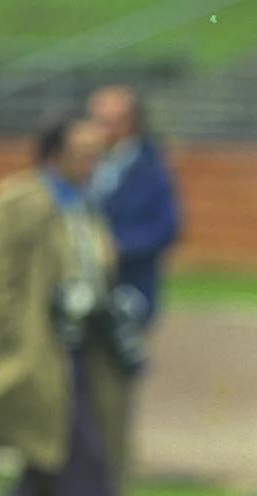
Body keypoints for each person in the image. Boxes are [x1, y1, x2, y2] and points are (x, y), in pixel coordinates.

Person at [0, 116, 149, 496]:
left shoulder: (84, 206)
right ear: (53, 153)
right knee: (83, 457)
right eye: (83, 151)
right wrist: (21, 339)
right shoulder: (19, 201)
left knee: (45, 461)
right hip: (42, 355)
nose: (94, 160)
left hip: (83, 351)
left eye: (98, 152)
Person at [87, 85, 180, 329]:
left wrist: (117, 246)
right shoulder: (84, 164)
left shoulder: (152, 169)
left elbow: (166, 227)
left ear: (131, 123)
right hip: (86, 288)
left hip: (130, 287)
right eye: (97, 121)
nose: (102, 130)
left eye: (110, 122)